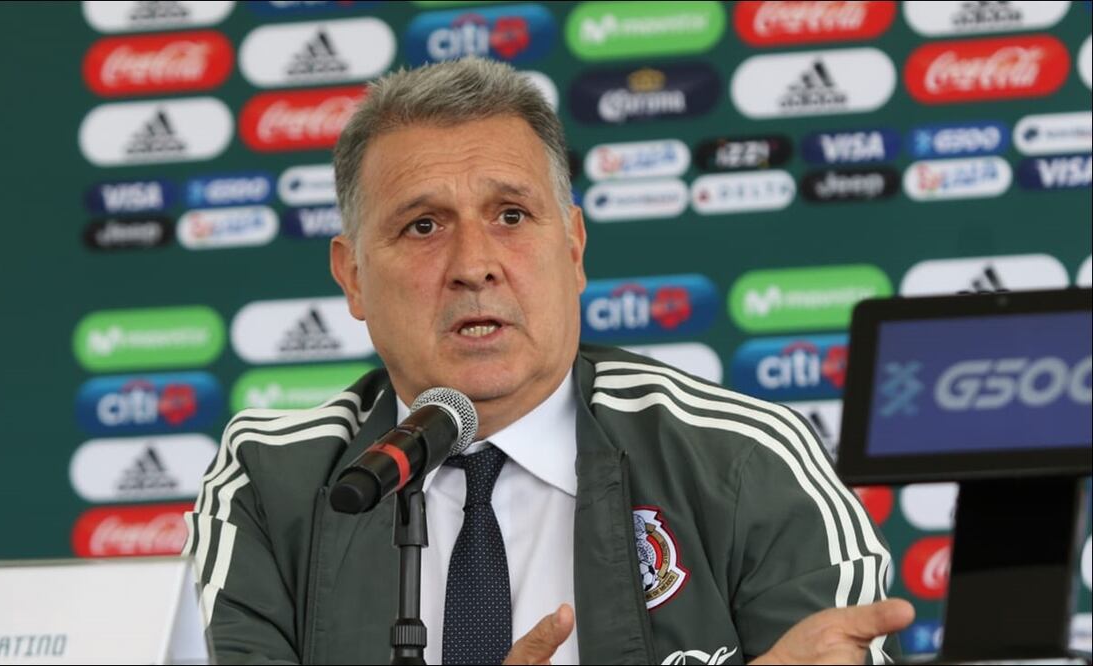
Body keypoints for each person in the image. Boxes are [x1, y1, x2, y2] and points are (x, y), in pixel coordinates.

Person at [184, 57, 913, 665]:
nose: (475, 265)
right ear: (351, 278)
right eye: (423, 225)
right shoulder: (269, 484)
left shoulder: (740, 459)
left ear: (573, 249)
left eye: (510, 216)